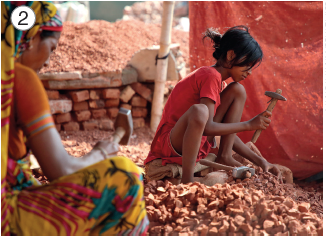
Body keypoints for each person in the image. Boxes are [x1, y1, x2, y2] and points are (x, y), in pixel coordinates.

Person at [1, 1, 148, 236]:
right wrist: (101, 153)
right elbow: (61, 169)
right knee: (125, 175)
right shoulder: (19, 80)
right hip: (7, 218)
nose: (49, 61)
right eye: (51, 48)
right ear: (30, 37)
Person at [144, 26, 282, 184]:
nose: (249, 72)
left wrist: (261, 161)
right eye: (247, 65)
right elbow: (208, 127)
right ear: (231, 55)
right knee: (200, 111)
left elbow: (223, 129)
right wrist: (249, 125)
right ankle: (187, 181)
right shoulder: (210, 76)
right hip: (171, 143)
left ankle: (225, 156)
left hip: (193, 142)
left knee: (237, 90)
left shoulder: (220, 85)